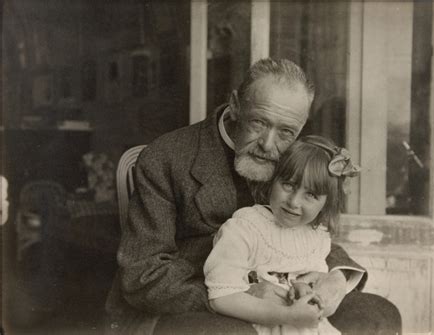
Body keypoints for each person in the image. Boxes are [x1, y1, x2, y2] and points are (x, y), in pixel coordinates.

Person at [106, 58, 401, 335]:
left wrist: (336, 278)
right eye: (258, 123)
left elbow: (308, 228)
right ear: (235, 105)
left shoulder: (290, 156)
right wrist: (242, 295)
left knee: (378, 315)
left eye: (286, 131)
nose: (268, 144)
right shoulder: (167, 158)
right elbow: (143, 274)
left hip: (283, 291)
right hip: (190, 301)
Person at [204, 135, 360, 335]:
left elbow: (310, 281)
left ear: (326, 203)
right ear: (272, 180)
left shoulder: (317, 237)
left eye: (311, 195)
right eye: (288, 185)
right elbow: (221, 297)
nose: (294, 202)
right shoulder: (245, 228)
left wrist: (305, 291)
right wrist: (287, 315)